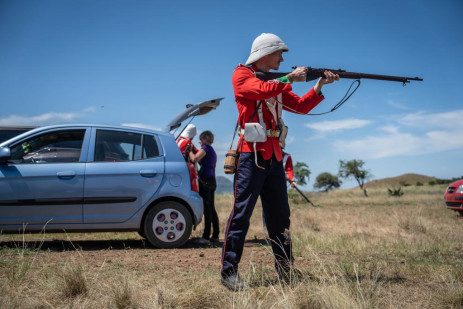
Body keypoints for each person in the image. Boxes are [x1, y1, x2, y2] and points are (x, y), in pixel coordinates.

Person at [221, 33, 339, 291]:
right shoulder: (242, 74)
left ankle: (285, 271)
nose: (283, 59)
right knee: (241, 215)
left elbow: (300, 106)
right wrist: (289, 78)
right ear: (265, 53)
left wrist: (318, 86)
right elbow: (256, 90)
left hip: (274, 155)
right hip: (250, 154)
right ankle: (229, 272)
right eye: (279, 53)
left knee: (280, 217)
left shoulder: (277, 83)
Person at [189, 130, 219, 245]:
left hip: (205, 181)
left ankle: (206, 237)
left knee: (207, 209)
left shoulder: (206, 148)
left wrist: (190, 151)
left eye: (200, 139)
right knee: (211, 208)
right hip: (211, 180)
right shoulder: (211, 150)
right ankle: (215, 235)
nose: (199, 141)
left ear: (206, 138)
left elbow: (195, 159)